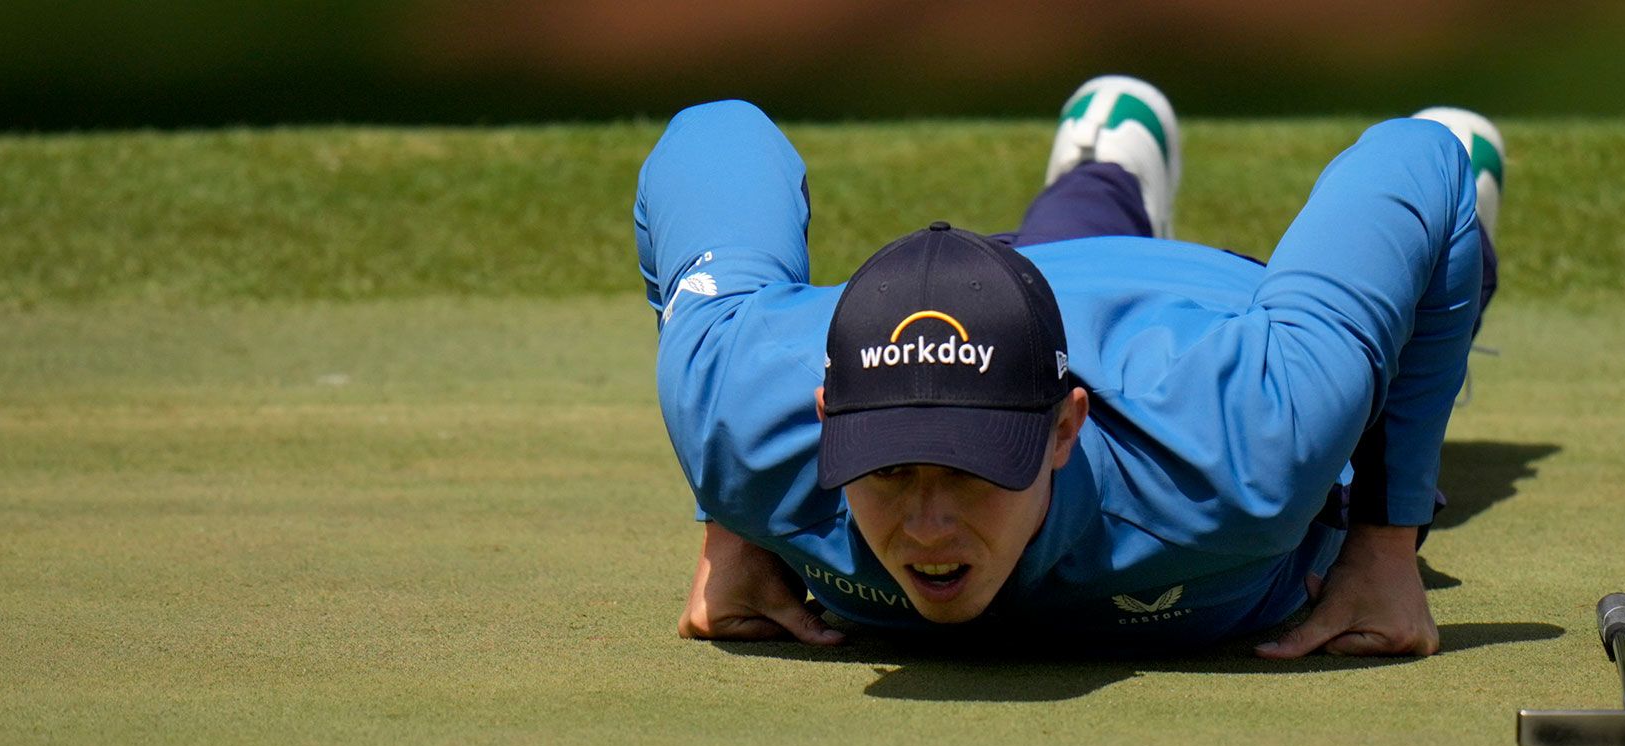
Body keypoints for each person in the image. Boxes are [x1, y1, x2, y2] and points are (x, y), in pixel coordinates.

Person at [635, 75, 1501, 658]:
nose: (929, 527)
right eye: (890, 468)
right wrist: (733, 524)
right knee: (1058, 244)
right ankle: (1106, 166)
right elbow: (713, 133)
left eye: (974, 470)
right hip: (1001, 287)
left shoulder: (1252, 428)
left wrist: (1388, 540)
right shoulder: (734, 416)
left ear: (1063, 428)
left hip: (1203, 306)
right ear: (828, 418)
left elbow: (1419, 161)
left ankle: (1113, 174)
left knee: (1409, 288)